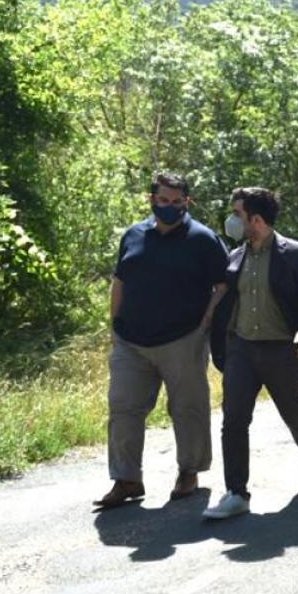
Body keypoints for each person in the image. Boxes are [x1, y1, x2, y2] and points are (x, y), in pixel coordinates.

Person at [95, 173, 229, 509]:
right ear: (152, 199)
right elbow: (119, 281)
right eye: (164, 200)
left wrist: (207, 319)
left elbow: (224, 282)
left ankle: (189, 472)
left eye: (177, 201)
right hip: (131, 341)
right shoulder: (134, 235)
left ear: (187, 202)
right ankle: (126, 479)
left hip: (182, 339)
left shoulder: (203, 238)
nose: (171, 206)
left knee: (187, 408)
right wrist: (114, 326)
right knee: (123, 407)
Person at [202, 187, 298, 520]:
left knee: (293, 411)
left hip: (281, 351)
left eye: (237, 214)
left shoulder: (294, 253)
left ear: (255, 219)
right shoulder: (234, 256)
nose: (232, 220)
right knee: (234, 419)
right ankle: (236, 492)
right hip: (241, 349)